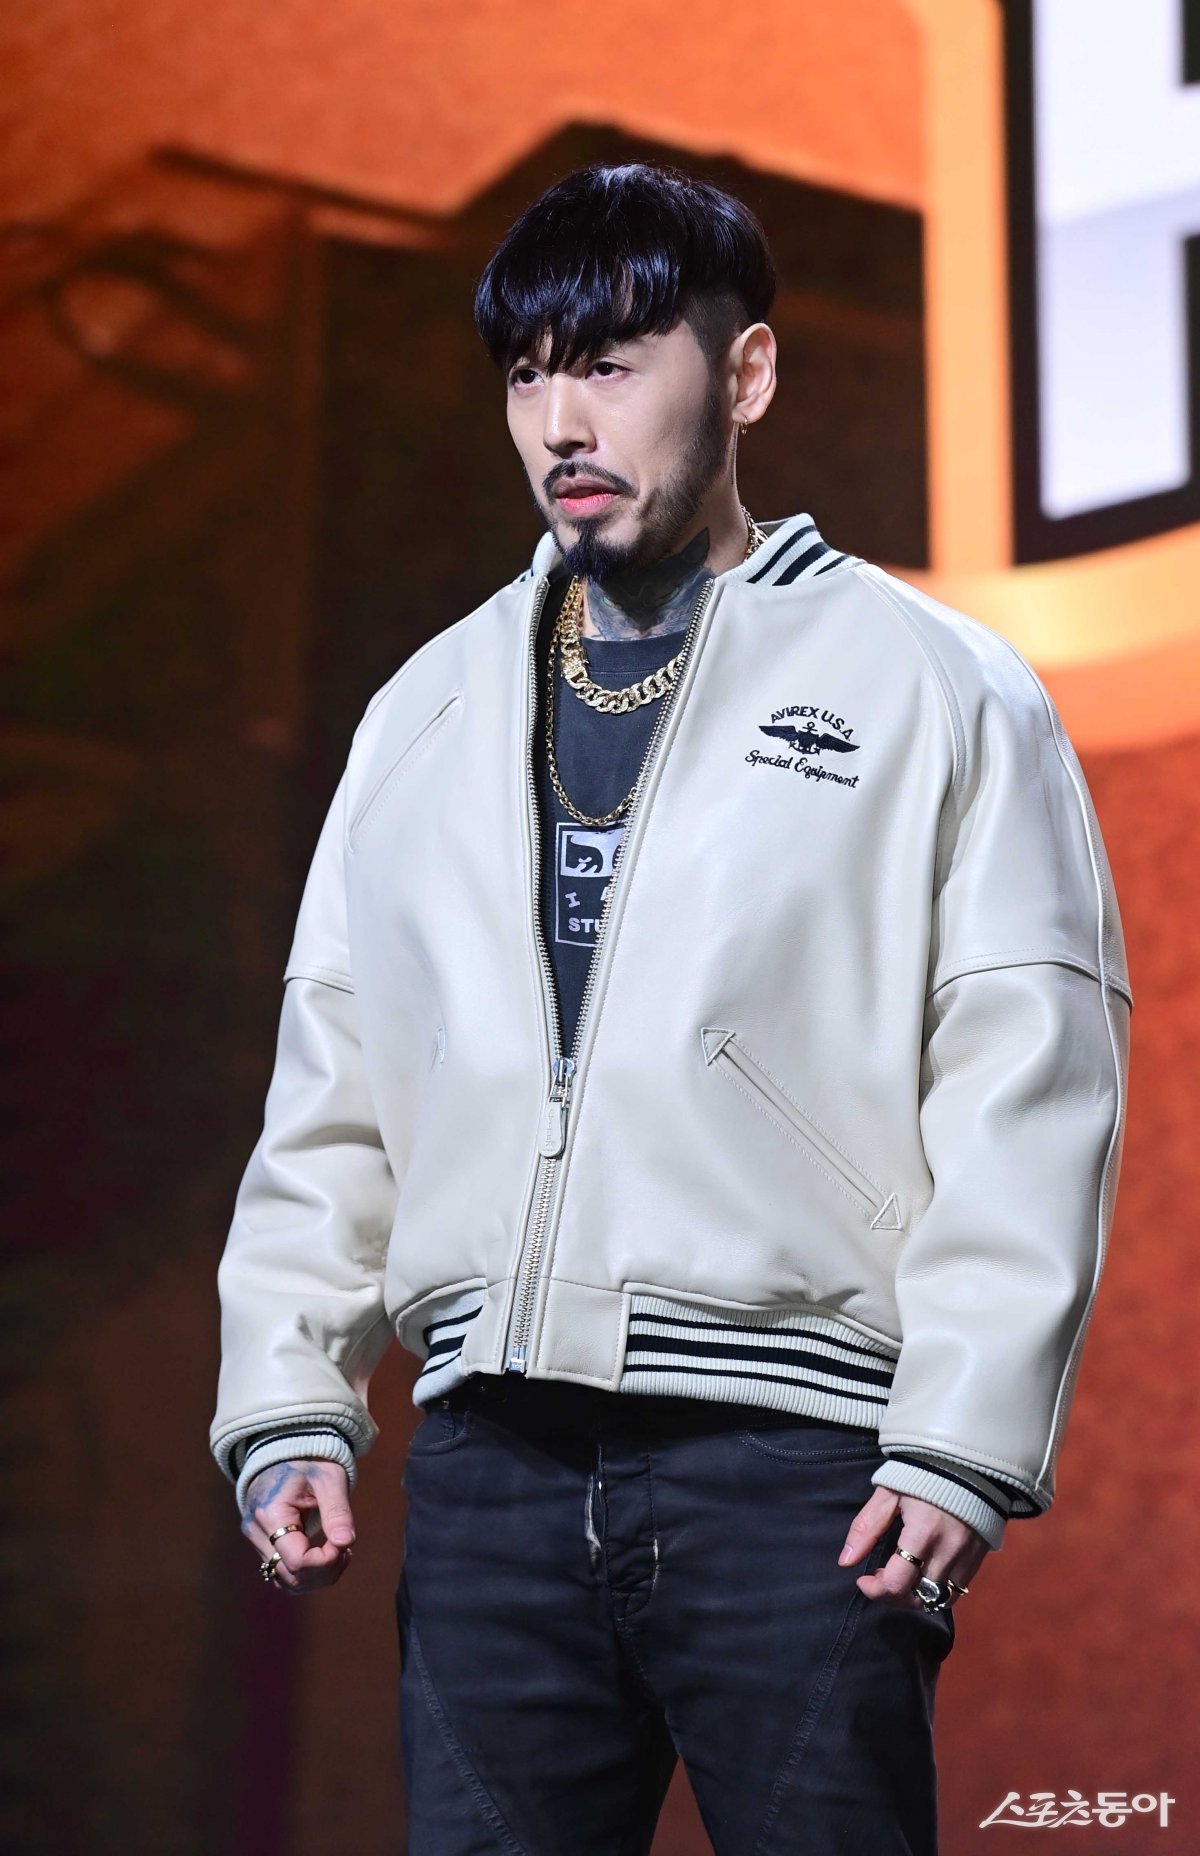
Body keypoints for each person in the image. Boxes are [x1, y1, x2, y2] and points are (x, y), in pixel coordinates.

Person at [209, 162, 1134, 1854]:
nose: (563, 419)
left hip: (797, 1471)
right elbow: (334, 1082)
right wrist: (290, 1397)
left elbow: (1031, 1069)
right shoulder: (425, 708)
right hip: (488, 1469)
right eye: (527, 375)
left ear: (747, 371)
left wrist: (960, 1437)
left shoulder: (934, 686)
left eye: (614, 364)